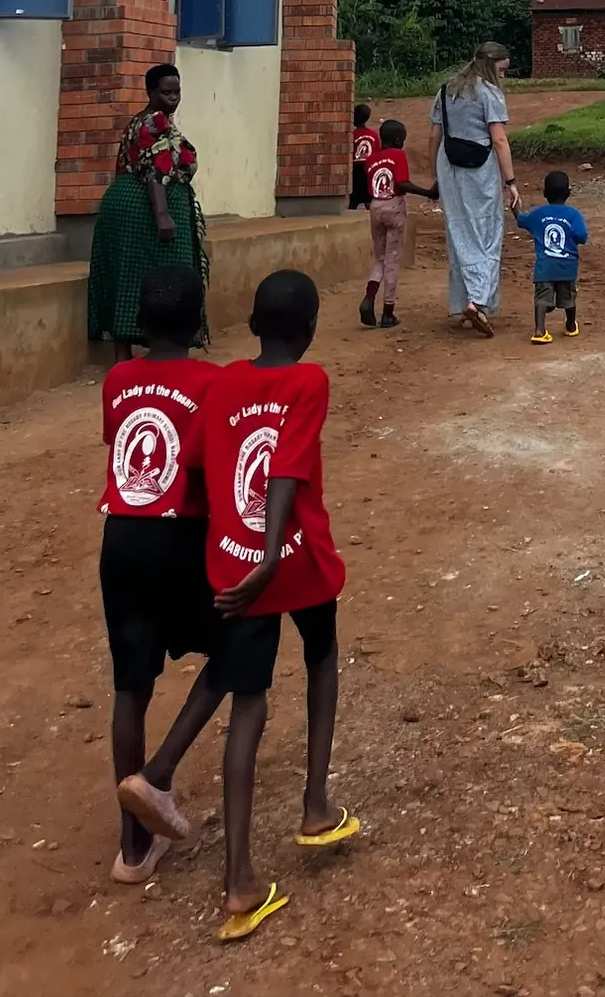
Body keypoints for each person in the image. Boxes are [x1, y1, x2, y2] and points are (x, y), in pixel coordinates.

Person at [189, 270, 355, 943]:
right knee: (321, 656)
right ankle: (316, 803)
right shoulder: (309, 381)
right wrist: (268, 555)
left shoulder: (222, 382)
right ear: (312, 328)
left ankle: (239, 881)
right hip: (295, 562)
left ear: (253, 325)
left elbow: (199, 466)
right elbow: (286, 465)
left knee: (246, 706)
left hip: (235, 567)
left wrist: (238, 555)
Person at [98, 265, 226, 884]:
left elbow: (122, 451)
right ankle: (158, 776)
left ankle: (132, 851)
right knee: (236, 650)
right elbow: (209, 470)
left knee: (130, 685)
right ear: (199, 322)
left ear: (141, 326)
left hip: (119, 537)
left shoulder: (118, 378)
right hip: (181, 535)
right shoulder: (213, 382)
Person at [88, 64, 208, 361]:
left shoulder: (143, 120)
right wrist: (162, 215)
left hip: (129, 206)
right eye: (166, 92)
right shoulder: (154, 122)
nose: (173, 98)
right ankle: (167, 352)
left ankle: (122, 353)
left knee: (128, 275)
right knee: (170, 278)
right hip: (145, 209)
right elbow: (156, 171)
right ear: (150, 92)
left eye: (177, 92)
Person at [429, 41, 519, 337]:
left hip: (449, 168)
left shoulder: (446, 90)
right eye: (502, 70)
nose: (503, 76)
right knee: (487, 234)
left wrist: (436, 175)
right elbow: (499, 140)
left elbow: (435, 136)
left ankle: (464, 301)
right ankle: (477, 300)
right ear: (491, 65)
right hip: (479, 172)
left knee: (459, 233)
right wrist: (511, 182)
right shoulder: (489, 93)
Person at [357, 119, 438, 330]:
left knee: (380, 258)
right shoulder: (398, 156)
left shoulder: (371, 159)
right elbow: (402, 183)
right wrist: (428, 192)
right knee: (392, 261)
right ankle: (387, 313)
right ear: (397, 139)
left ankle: (368, 298)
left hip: (375, 207)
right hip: (394, 206)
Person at [513, 169, 587, 345]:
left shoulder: (539, 213)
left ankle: (540, 331)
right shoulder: (574, 215)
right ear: (568, 193)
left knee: (541, 298)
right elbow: (582, 236)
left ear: (545, 193)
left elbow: (521, 221)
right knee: (569, 298)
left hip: (544, 267)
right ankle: (570, 325)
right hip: (567, 267)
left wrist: (514, 206)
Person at [347, 104, 379, 211]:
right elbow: (377, 151)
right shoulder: (373, 134)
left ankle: (351, 218)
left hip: (355, 170)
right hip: (369, 169)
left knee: (353, 199)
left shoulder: (352, 135)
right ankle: (371, 220)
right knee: (368, 198)